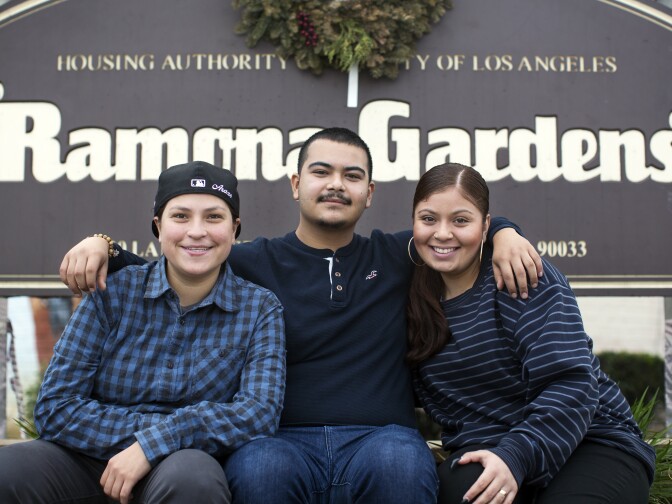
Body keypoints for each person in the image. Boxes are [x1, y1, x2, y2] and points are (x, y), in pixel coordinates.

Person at [59, 128, 543, 503]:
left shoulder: (399, 254)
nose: (336, 184)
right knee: (260, 469)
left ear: (369, 192)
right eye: (321, 172)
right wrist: (100, 243)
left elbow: (455, 223)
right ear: (296, 184)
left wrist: (505, 232)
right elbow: (175, 263)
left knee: (401, 461)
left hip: (381, 436)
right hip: (279, 439)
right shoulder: (249, 261)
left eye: (352, 176)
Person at [0, 161, 286, 504]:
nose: (197, 231)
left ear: (234, 228)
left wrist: (157, 444)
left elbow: (257, 414)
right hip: (88, 458)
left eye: (214, 217)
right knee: (10, 469)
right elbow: (55, 408)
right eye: (180, 216)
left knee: (193, 477)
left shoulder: (259, 309)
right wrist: (142, 442)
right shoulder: (112, 293)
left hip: (184, 463)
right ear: (158, 226)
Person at [406, 163, 655, 504]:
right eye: (429, 219)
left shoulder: (522, 276)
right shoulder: (408, 292)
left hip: (587, 440)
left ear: (485, 226)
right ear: (414, 223)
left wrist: (516, 455)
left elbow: (572, 385)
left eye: (461, 220)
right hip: (483, 452)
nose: (443, 233)